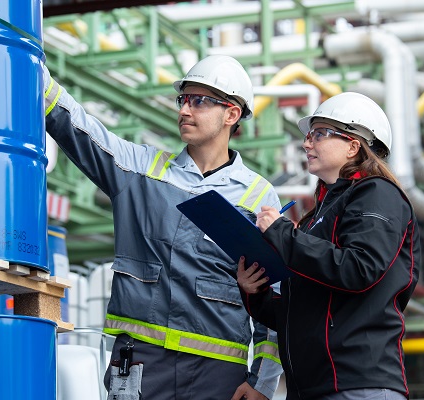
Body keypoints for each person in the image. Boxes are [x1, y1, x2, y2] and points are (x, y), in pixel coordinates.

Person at [43, 54, 283, 399]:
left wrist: (262, 381)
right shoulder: (142, 172)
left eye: (199, 101)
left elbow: (272, 298)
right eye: (183, 99)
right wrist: (38, 77)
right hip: (140, 362)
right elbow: (82, 131)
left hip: (217, 371)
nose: (185, 110)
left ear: (231, 114)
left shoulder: (257, 196)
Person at [236, 92, 421, 399]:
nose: (307, 144)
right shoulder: (315, 218)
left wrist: (283, 234)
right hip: (312, 388)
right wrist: (256, 293)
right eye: (309, 136)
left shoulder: (377, 193)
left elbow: (359, 269)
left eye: (320, 134)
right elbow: (300, 312)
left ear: (353, 145)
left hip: (358, 384)